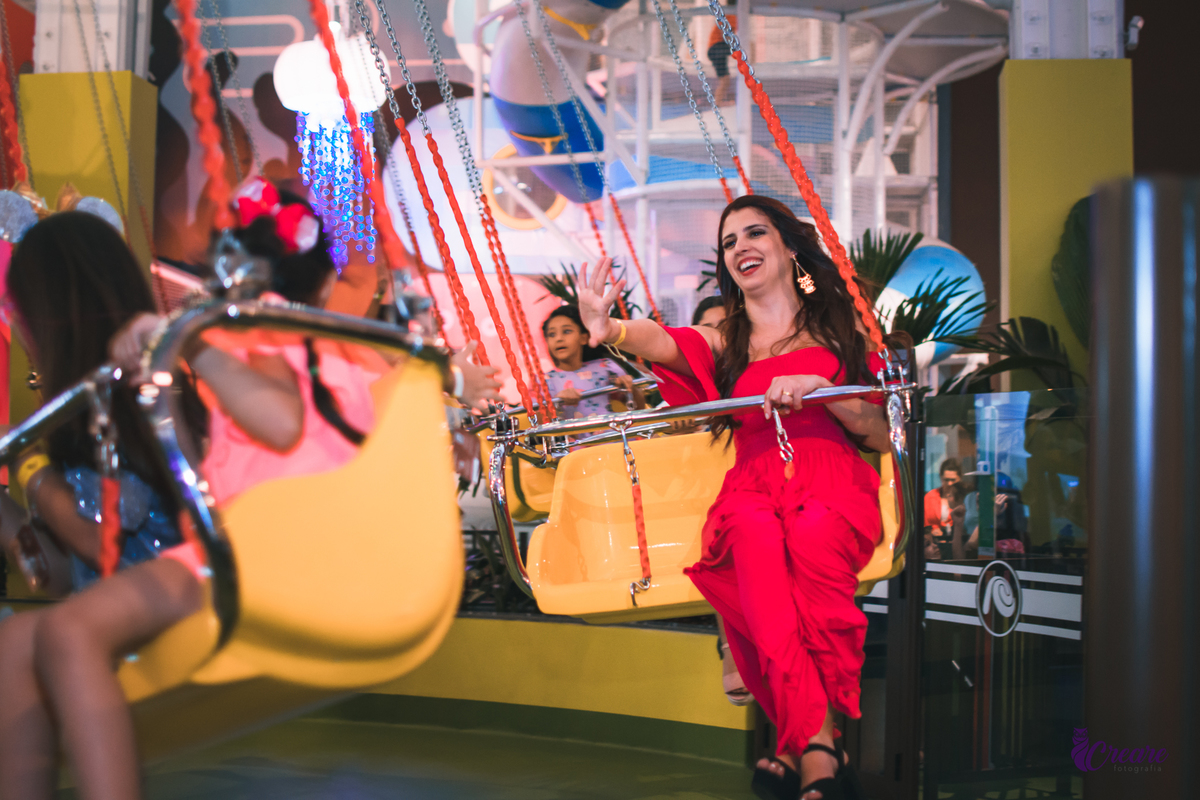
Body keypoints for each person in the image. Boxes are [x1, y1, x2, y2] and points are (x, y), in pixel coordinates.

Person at [577, 194, 892, 800]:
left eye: (755, 233)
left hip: (829, 478)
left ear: (788, 247)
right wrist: (611, 329)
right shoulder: (727, 337)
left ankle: (799, 743)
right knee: (752, 545)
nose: (740, 246)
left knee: (810, 541)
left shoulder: (842, 327)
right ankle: (821, 748)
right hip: (753, 483)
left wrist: (824, 390)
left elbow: (879, 432)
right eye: (729, 242)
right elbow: (666, 343)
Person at [0, 210, 309, 800]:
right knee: (13, 643)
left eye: (20, 311)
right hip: (118, 601)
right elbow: (59, 575)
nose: (18, 327)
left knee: (65, 633)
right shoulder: (69, 418)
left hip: (187, 578)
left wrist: (30, 471)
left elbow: (100, 538)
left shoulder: (127, 396)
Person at [542, 304, 645, 420]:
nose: (559, 338)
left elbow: (639, 409)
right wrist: (557, 403)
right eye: (552, 334)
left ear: (584, 338)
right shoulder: (544, 382)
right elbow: (539, 423)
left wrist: (631, 389)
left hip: (611, 430)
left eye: (566, 331)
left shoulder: (606, 367)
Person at [707, 2, 737, 106]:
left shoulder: (730, 15)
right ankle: (717, 103)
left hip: (716, 50)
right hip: (717, 48)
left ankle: (718, 103)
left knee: (725, 80)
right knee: (744, 48)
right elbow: (725, 34)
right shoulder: (730, 16)